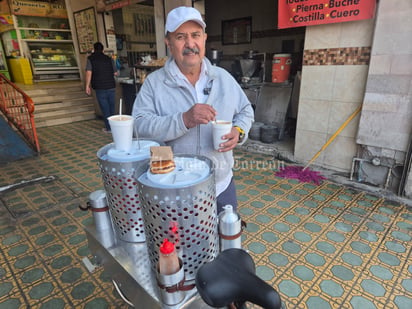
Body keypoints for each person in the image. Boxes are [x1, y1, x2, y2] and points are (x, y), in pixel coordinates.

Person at [132, 6, 254, 213]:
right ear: (169, 43)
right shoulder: (154, 83)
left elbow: (245, 110)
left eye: (195, 35)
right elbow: (139, 125)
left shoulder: (223, 78)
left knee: (225, 240)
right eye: (180, 37)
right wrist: (183, 120)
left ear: (204, 38)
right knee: (179, 244)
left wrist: (238, 131)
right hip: (172, 187)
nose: (190, 44)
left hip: (220, 184)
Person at [85, 42, 118, 133]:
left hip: (100, 87)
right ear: (103, 50)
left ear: (94, 49)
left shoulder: (90, 59)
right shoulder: (109, 59)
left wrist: (87, 86)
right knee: (112, 107)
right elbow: (115, 73)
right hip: (111, 86)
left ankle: (109, 128)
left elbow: (89, 72)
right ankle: (115, 126)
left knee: (105, 108)